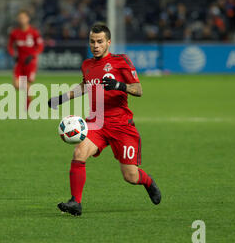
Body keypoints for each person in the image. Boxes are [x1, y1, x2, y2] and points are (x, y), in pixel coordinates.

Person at [48, 24, 161, 216]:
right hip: (96, 123)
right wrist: (62, 98)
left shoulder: (121, 61)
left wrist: (119, 85)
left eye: (100, 41)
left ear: (108, 42)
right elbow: (85, 86)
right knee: (79, 153)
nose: (95, 45)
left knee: (130, 176)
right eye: (92, 41)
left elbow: (138, 90)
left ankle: (148, 182)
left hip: (121, 126)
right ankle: (76, 202)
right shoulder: (87, 65)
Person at [7, 10, 44, 110]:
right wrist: (13, 54)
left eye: (23, 17)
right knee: (16, 84)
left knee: (27, 83)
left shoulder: (33, 32)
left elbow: (40, 46)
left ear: (28, 19)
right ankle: (29, 103)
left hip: (30, 63)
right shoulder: (14, 33)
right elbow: (10, 46)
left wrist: (33, 55)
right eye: (20, 18)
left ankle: (28, 106)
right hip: (19, 62)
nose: (22, 20)